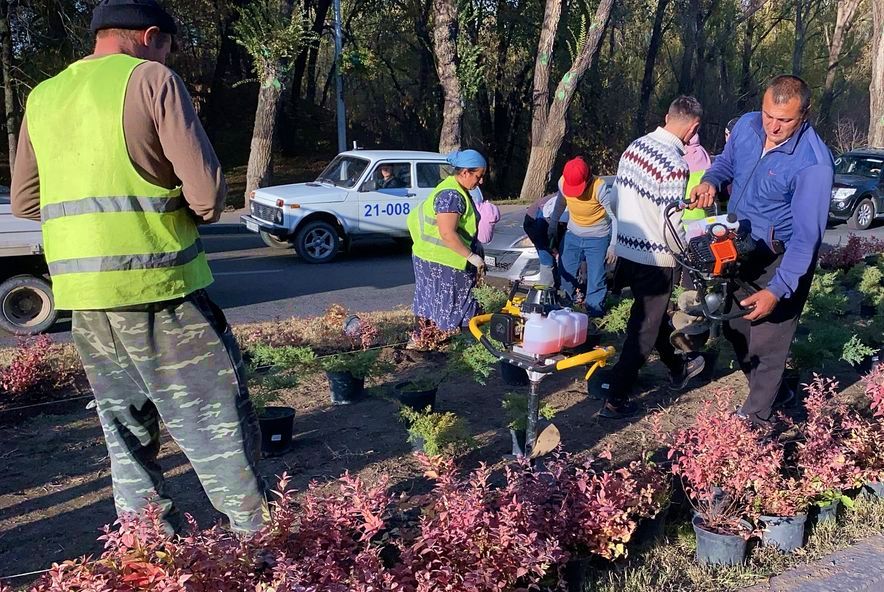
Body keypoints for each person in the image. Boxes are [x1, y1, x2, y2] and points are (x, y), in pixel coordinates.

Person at [10, 0, 268, 535]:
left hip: (86, 302)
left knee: (124, 434)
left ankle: (148, 545)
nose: (169, 56)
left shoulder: (43, 95)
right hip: (163, 292)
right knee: (217, 428)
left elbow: (25, 202)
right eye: (169, 45)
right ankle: (260, 544)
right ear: (150, 36)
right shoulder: (152, 80)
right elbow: (206, 195)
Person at [690, 75, 834, 426]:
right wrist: (710, 180)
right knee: (735, 328)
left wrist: (778, 290)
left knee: (768, 343)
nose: (773, 126)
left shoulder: (813, 164)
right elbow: (726, 162)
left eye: (784, 120)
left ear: (805, 114)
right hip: (740, 246)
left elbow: (806, 238)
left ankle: (756, 420)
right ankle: (777, 393)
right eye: (768, 114)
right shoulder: (746, 126)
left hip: (781, 258)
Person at [599, 96, 707, 419]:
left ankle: (677, 368)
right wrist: (688, 256)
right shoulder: (676, 165)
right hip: (655, 260)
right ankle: (615, 400)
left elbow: (615, 198)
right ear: (694, 127)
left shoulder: (633, 148)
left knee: (653, 318)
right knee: (643, 330)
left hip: (629, 253)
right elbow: (671, 223)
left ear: (667, 116)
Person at [406, 149, 487, 344]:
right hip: (443, 261)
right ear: (465, 172)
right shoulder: (451, 196)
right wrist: (472, 257)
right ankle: (463, 347)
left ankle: (425, 341)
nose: (481, 182)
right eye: (479, 176)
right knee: (458, 304)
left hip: (431, 257)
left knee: (430, 302)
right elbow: (447, 233)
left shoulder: (453, 189)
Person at [547, 157, 617, 316]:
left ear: (587, 178)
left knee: (596, 280)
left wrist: (613, 245)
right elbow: (560, 204)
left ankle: (594, 316)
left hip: (598, 238)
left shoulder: (599, 188)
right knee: (565, 273)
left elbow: (615, 217)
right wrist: (552, 224)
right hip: (573, 234)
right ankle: (568, 309)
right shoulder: (563, 182)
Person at [523, 191, 569, 287]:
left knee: (564, 253)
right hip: (533, 223)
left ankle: (560, 284)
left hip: (554, 220)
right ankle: (546, 289)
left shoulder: (569, 203)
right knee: (547, 258)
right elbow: (544, 240)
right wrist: (554, 251)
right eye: (561, 224)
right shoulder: (541, 221)